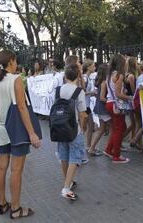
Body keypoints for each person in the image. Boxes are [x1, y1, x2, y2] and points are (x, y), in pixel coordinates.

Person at [0, 50, 41, 219]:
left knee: (1, 167)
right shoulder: (15, 80)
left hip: (0, 130)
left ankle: (3, 204)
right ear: (11, 61)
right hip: (16, 130)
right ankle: (16, 209)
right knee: (16, 170)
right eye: (15, 61)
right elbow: (22, 108)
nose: (16, 64)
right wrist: (32, 133)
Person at [56, 63, 88, 200]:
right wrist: (83, 128)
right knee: (75, 157)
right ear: (78, 76)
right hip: (74, 129)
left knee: (64, 156)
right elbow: (82, 114)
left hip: (59, 127)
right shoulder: (79, 91)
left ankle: (68, 181)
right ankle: (66, 188)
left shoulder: (58, 90)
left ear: (65, 75)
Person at [104, 54, 132, 163]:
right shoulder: (119, 75)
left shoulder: (110, 74)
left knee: (117, 128)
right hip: (116, 105)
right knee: (119, 130)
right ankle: (116, 155)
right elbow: (118, 94)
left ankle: (108, 150)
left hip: (110, 103)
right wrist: (130, 97)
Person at [88, 64, 111, 156]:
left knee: (101, 129)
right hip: (103, 108)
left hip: (99, 108)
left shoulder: (101, 81)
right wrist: (110, 101)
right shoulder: (104, 82)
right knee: (111, 127)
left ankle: (92, 148)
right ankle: (109, 148)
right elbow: (102, 98)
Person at [82, 59, 97, 152]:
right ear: (88, 67)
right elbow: (81, 92)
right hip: (84, 105)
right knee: (86, 126)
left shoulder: (87, 77)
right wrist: (92, 92)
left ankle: (88, 145)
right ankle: (85, 146)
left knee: (90, 126)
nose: (94, 67)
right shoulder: (85, 78)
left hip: (86, 105)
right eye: (93, 66)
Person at [124, 57, 138, 146]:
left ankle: (132, 137)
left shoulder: (126, 74)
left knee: (133, 122)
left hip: (127, 101)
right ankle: (122, 137)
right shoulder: (131, 76)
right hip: (131, 100)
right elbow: (133, 90)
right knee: (134, 123)